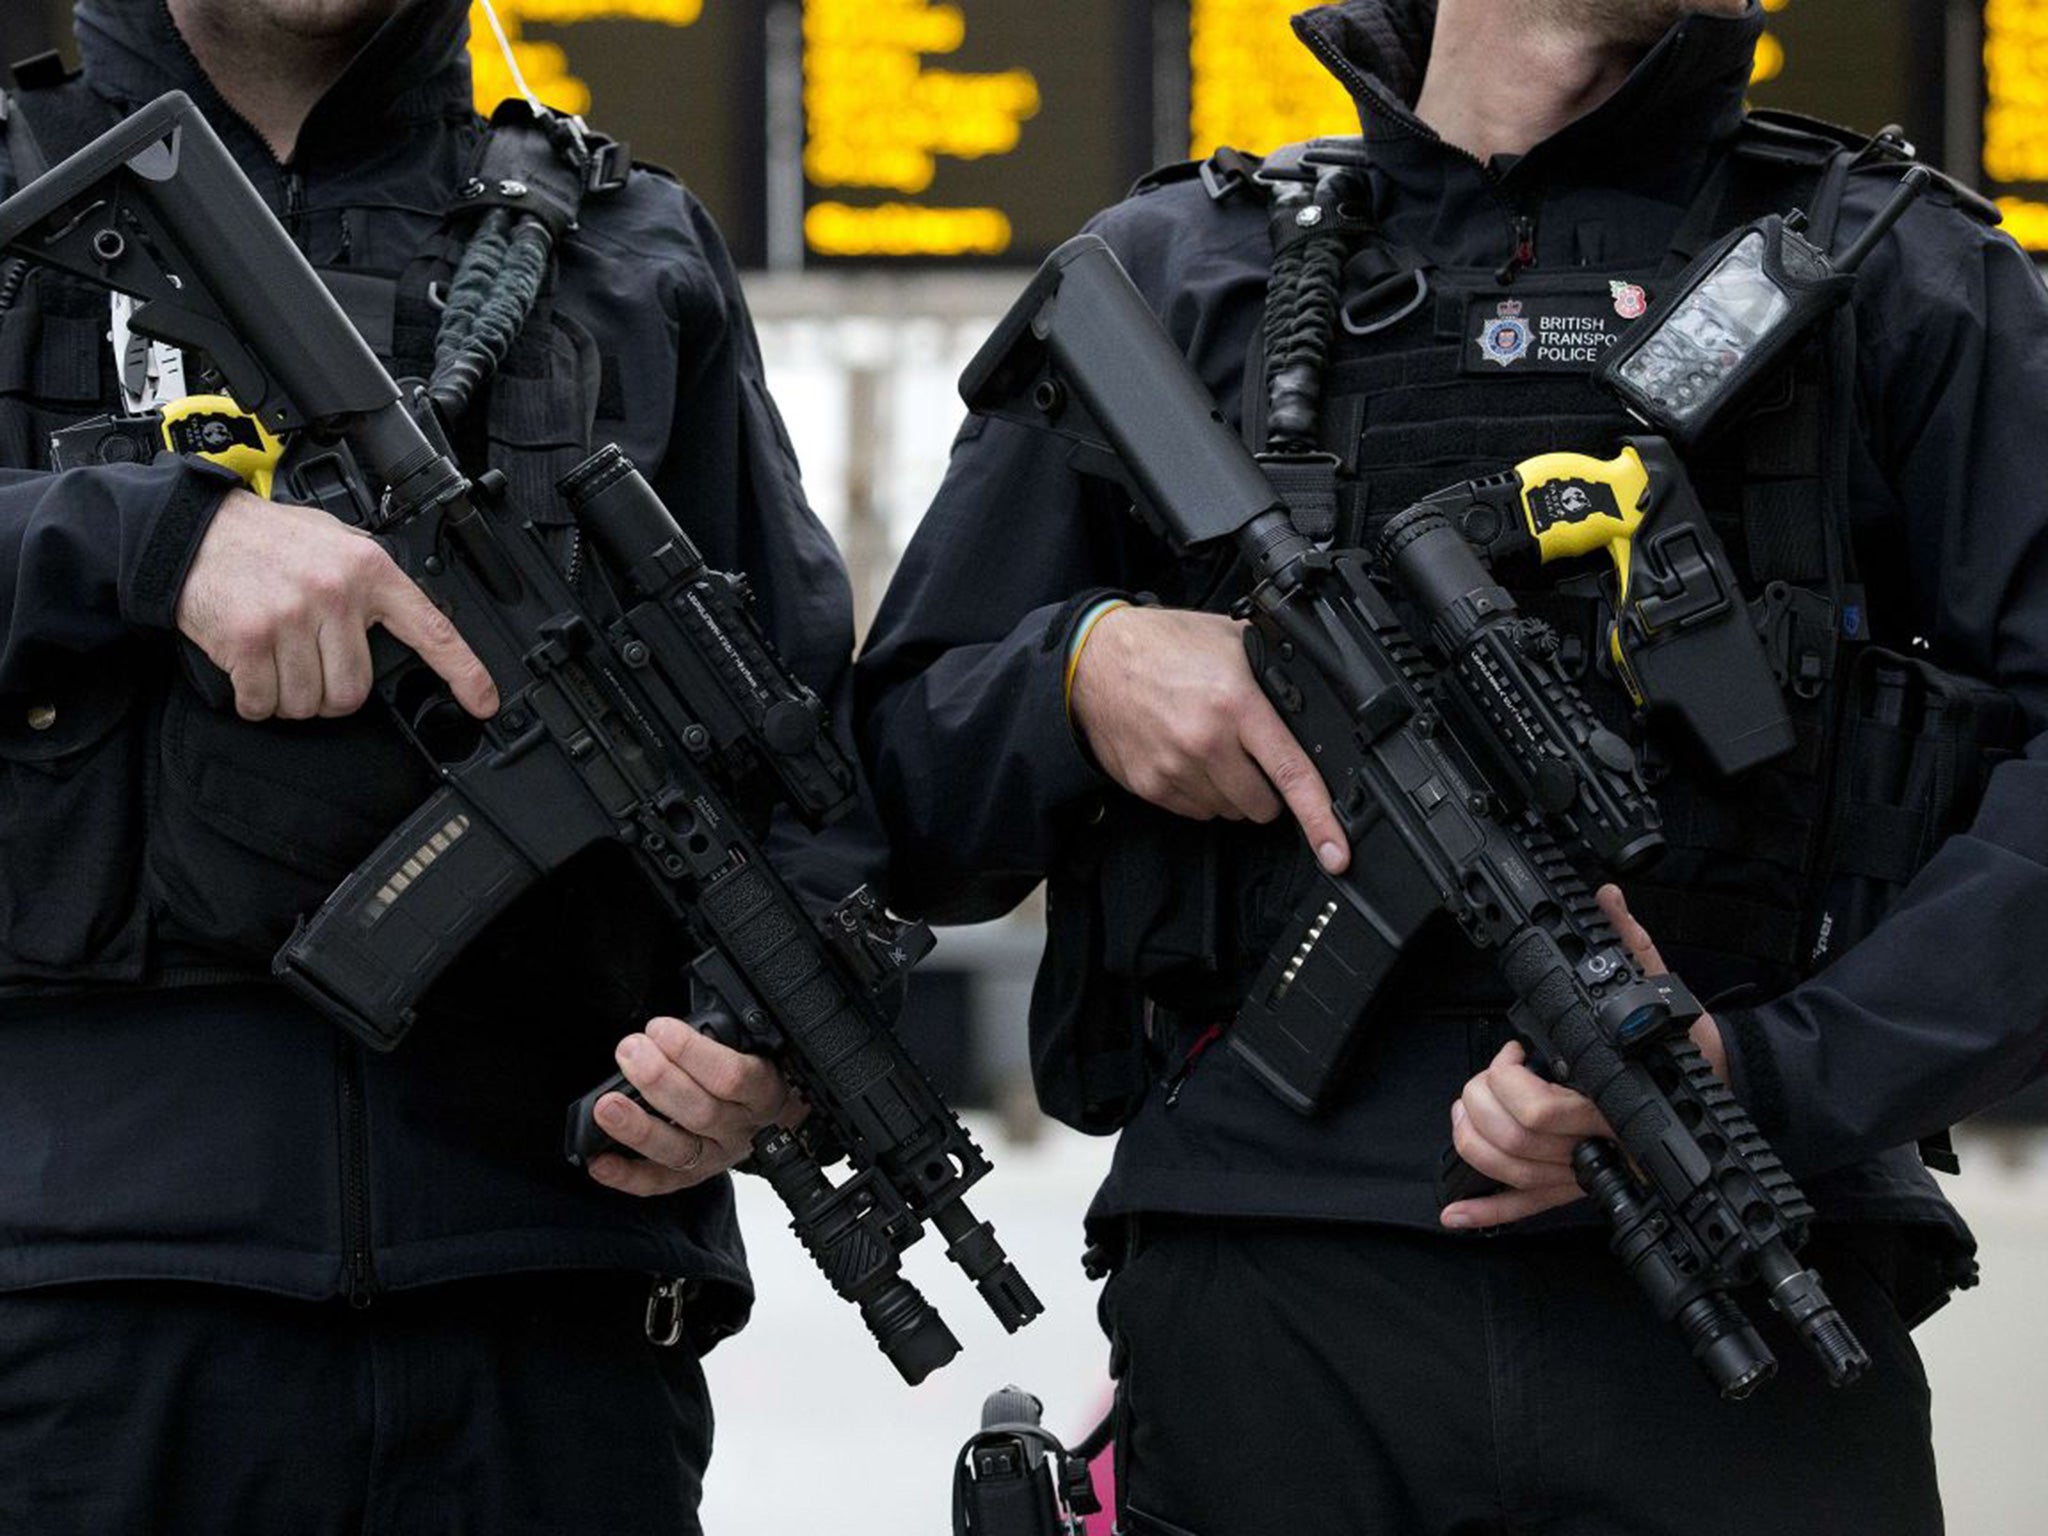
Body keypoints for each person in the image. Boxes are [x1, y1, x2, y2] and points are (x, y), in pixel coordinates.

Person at [857, 1, 2048, 1531]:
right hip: (1271, 1302)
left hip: (1751, 1272)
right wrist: (1077, 672)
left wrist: (1772, 1076)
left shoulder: (1898, 275)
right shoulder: (1182, 275)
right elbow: (893, 792)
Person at [0, 1, 854, 1529]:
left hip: (549, 1319)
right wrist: (150, 540)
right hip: (76, 1320)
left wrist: (753, 1048)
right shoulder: (26, 188)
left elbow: (803, 746)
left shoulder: (623, 245)